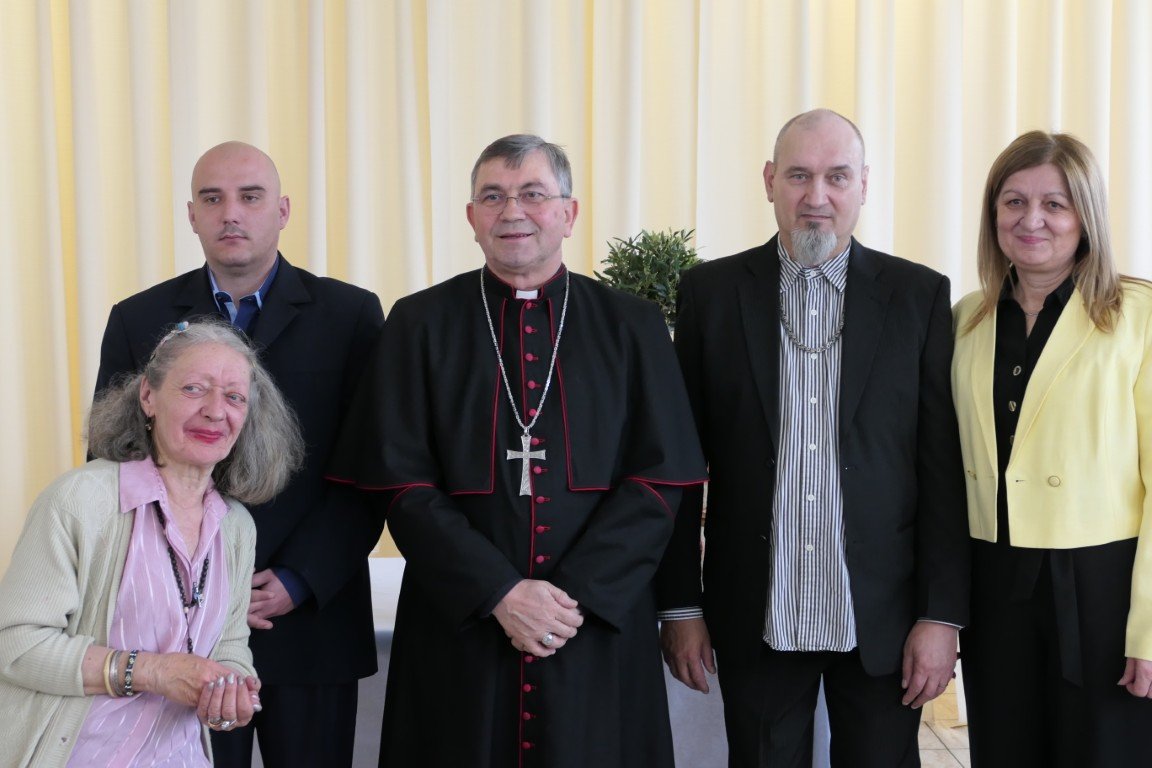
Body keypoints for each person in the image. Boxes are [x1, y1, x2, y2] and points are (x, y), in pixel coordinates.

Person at [327, 134, 706, 767]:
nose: (513, 212)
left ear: (569, 213)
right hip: (462, 620)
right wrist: (500, 592)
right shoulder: (419, 323)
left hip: (594, 625)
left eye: (533, 194)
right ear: (471, 217)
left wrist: (569, 600)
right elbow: (399, 482)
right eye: (493, 197)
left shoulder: (631, 324)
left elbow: (660, 478)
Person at [655, 108, 970, 767]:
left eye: (837, 176)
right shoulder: (711, 295)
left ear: (864, 185)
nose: (816, 196)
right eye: (799, 175)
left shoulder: (917, 297)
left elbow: (942, 471)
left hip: (881, 619)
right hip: (758, 612)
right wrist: (680, 605)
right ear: (769, 181)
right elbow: (681, 466)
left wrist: (940, 617)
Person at [93, 141, 386, 766]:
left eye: (250, 197)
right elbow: (115, 466)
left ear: (282, 211)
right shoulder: (138, 319)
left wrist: (299, 579)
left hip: (308, 619)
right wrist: (190, 577)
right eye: (212, 198)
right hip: (180, 624)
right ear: (191, 215)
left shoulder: (351, 315)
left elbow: (371, 467)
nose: (231, 213)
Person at [0, 319, 303, 767]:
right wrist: (154, 672)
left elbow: (230, 645)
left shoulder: (236, 525)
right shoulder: (79, 501)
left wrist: (231, 688)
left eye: (234, 397)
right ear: (148, 396)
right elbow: (15, 644)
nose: (216, 411)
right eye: (194, 389)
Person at [952, 130, 1152, 766]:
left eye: (1054, 204)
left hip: (1103, 586)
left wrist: (1150, 628)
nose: (1030, 219)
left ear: (1085, 216)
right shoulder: (965, 318)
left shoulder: (1138, 316)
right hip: (991, 579)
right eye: (1013, 201)